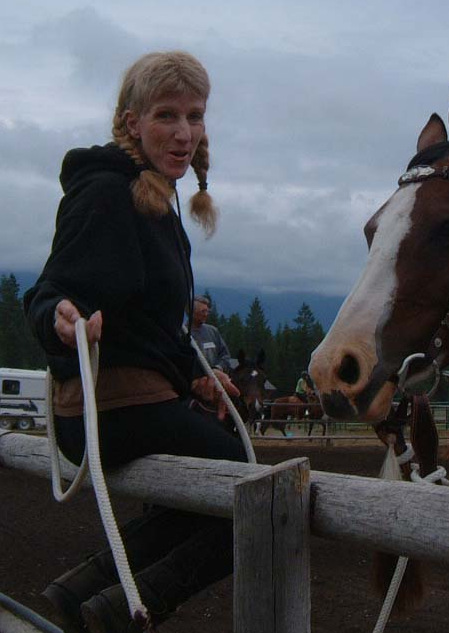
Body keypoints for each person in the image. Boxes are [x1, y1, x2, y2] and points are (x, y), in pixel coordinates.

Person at [24, 51, 247, 633]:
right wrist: (61, 318)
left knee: (202, 493)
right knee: (250, 489)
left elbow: (148, 326)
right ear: (131, 124)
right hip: (109, 408)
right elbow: (49, 289)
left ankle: (82, 596)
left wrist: (193, 374)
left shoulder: (153, 197)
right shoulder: (105, 192)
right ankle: (122, 613)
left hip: (128, 404)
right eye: (166, 116)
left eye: (194, 117)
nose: (183, 133)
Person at [191, 295, 232, 373]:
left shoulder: (213, 331)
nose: (206, 314)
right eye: (203, 311)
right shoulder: (182, 333)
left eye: (207, 311)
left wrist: (218, 368)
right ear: (192, 312)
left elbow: (225, 355)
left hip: (215, 379)